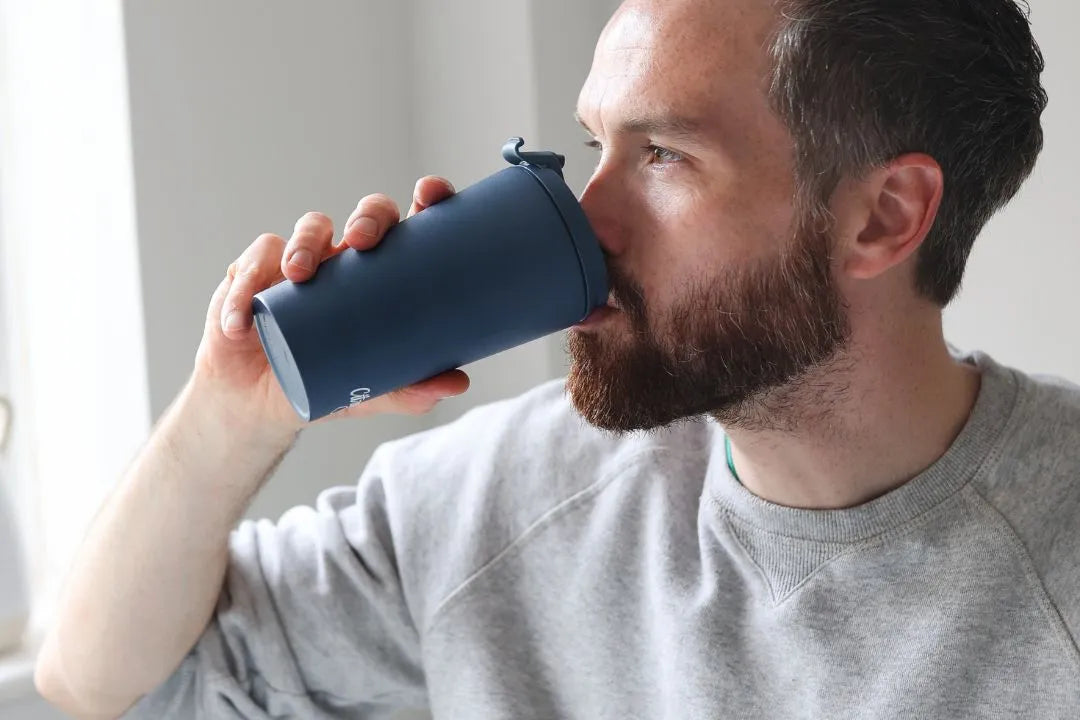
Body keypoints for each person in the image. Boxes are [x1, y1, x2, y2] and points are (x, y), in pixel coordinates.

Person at [35, 0, 1078, 717]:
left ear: (882, 218)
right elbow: (110, 686)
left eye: (664, 156)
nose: (589, 214)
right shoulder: (504, 498)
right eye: (596, 147)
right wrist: (238, 405)